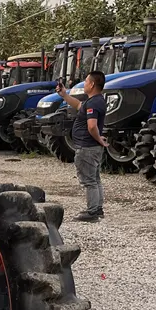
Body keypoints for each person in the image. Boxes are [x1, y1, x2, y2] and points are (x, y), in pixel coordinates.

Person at [57, 70, 109, 222]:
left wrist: (99, 139)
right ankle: (97, 208)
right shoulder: (95, 100)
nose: (84, 83)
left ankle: (92, 212)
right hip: (92, 147)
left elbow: (92, 126)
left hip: (87, 147)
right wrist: (65, 95)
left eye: (86, 81)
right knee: (95, 178)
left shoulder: (93, 102)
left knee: (89, 180)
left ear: (92, 84)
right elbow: (79, 105)